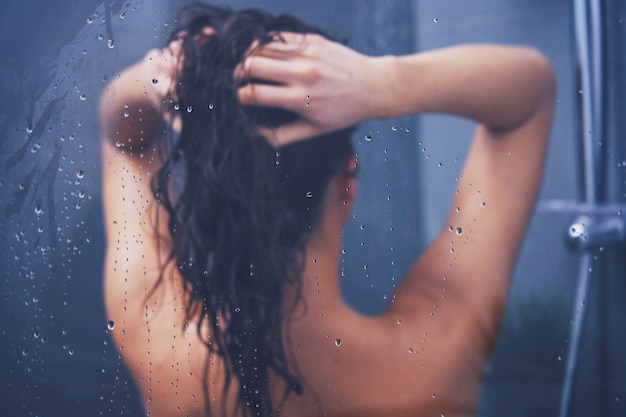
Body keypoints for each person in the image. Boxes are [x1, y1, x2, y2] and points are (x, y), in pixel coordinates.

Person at [99, 3, 555, 417]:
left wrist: (161, 76)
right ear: (347, 180)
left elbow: (123, 139)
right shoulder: (436, 355)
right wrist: (385, 82)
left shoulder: (161, 342)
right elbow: (532, 91)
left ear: (208, 188)